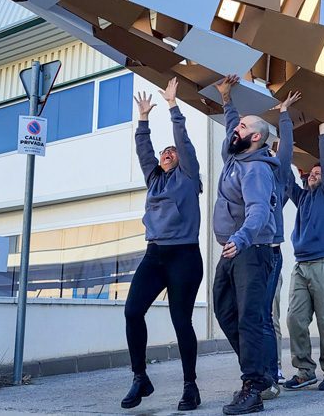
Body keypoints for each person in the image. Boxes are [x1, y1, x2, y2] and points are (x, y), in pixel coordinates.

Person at [122, 78, 204, 411]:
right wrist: (143, 119)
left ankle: (190, 386)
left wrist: (172, 106)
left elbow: (182, 142)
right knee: (131, 311)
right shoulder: (154, 178)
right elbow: (144, 151)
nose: (167, 153)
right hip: (154, 255)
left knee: (181, 321)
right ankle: (140, 377)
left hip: (184, 255)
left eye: (171, 151)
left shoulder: (188, 176)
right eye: (163, 152)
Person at [212, 75, 280, 414]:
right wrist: (228, 101)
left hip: (250, 250)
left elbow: (258, 213)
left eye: (241, 127)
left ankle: (253, 386)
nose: (233, 131)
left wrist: (240, 239)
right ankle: (262, 374)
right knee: (225, 311)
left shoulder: (255, 169)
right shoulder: (235, 157)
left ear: (255, 137)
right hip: (233, 249)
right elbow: (230, 128)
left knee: (250, 318)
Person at [283, 121, 324, 392]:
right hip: (301, 265)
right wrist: (280, 147)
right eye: (311, 173)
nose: (314, 175)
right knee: (295, 319)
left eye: (318, 173)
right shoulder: (302, 198)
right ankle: (305, 371)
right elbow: (286, 179)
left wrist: (322, 135)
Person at [259, 90, 300, 401]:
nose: (272, 155)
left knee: (270, 316)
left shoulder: (280, 183)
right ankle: (257, 368)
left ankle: (273, 369)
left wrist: (284, 115)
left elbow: (285, 149)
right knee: (252, 315)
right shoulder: (251, 174)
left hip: (271, 254)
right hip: (248, 253)